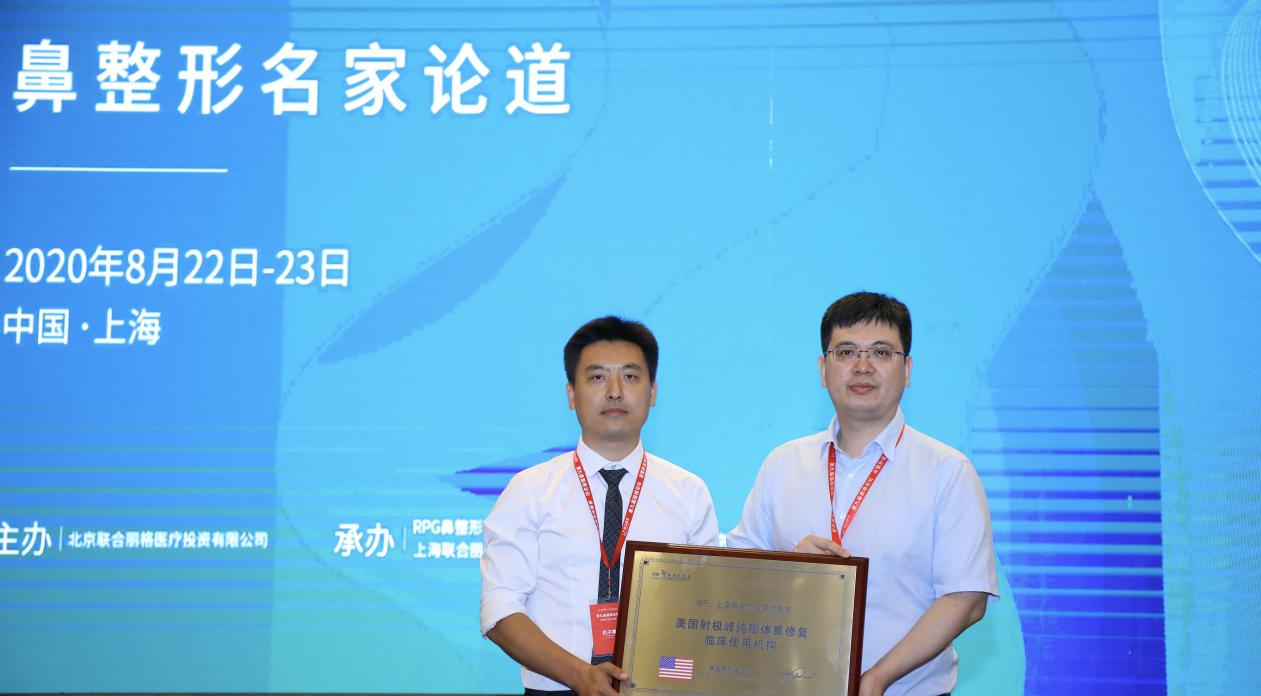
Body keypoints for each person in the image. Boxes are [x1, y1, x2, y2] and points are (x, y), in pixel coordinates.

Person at [727, 292, 998, 696]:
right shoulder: (783, 464)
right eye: (847, 352)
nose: (863, 366)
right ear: (823, 369)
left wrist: (876, 678)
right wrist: (787, 568)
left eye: (881, 353)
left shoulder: (947, 471)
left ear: (907, 369)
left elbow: (966, 597)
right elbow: (734, 578)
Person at [481, 316, 719, 696]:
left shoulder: (688, 492)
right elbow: (500, 610)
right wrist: (580, 675)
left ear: (652, 392)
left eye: (630, 376)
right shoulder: (529, 491)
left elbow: (704, 609)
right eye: (596, 377)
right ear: (571, 394)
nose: (614, 392)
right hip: (558, 689)